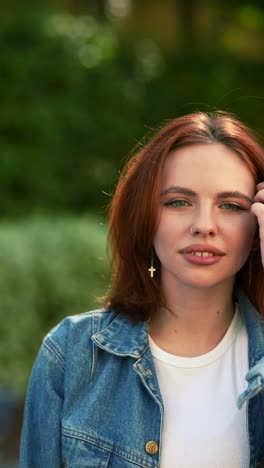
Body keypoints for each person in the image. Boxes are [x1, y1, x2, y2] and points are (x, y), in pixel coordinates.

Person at [20, 110, 264, 467]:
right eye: (178, 202)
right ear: (146, 216)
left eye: (230, 205)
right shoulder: (71, 357)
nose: (204, 225)